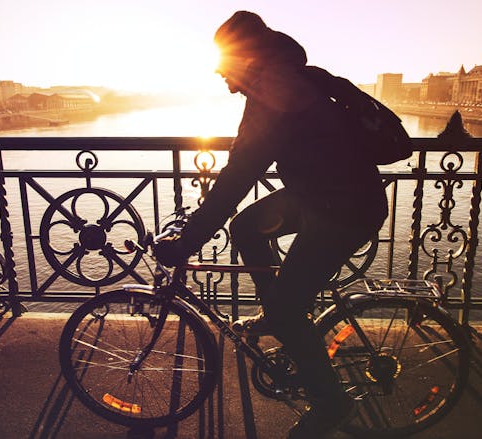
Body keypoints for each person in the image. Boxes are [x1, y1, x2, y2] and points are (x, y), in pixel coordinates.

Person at [154, 10, 387, 438]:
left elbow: (238, 176)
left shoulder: (275, 93)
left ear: (246, 60)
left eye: (223, 66)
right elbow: (240, 175)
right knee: (245, 227)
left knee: (286, 309)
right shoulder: (287, 78)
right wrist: (198, 225)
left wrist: (186, 243)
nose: (220, 76)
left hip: (344, 208)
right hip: (324, 194)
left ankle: (331, 403)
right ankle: (277, 312)